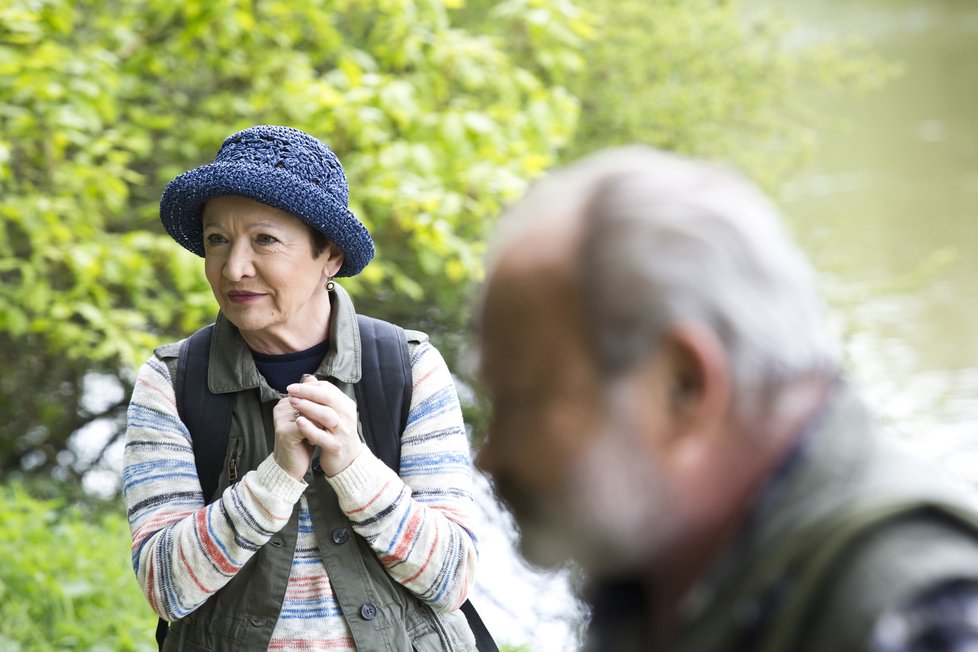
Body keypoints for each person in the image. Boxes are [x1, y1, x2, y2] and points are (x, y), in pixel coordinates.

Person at [474, 146, 978, 651]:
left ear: (685, 386)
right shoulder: (660, 567)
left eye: (520, 403)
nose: (489, 458)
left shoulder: (915, 616)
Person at [123, 125, 479, 651]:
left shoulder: (409, 367)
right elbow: (165, 588)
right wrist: (274, 479)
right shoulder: (171, 381)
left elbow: (452, 580)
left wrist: (354, 468)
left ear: (329, 256)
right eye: (217, 240)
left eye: (264, 239)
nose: (234, 267)